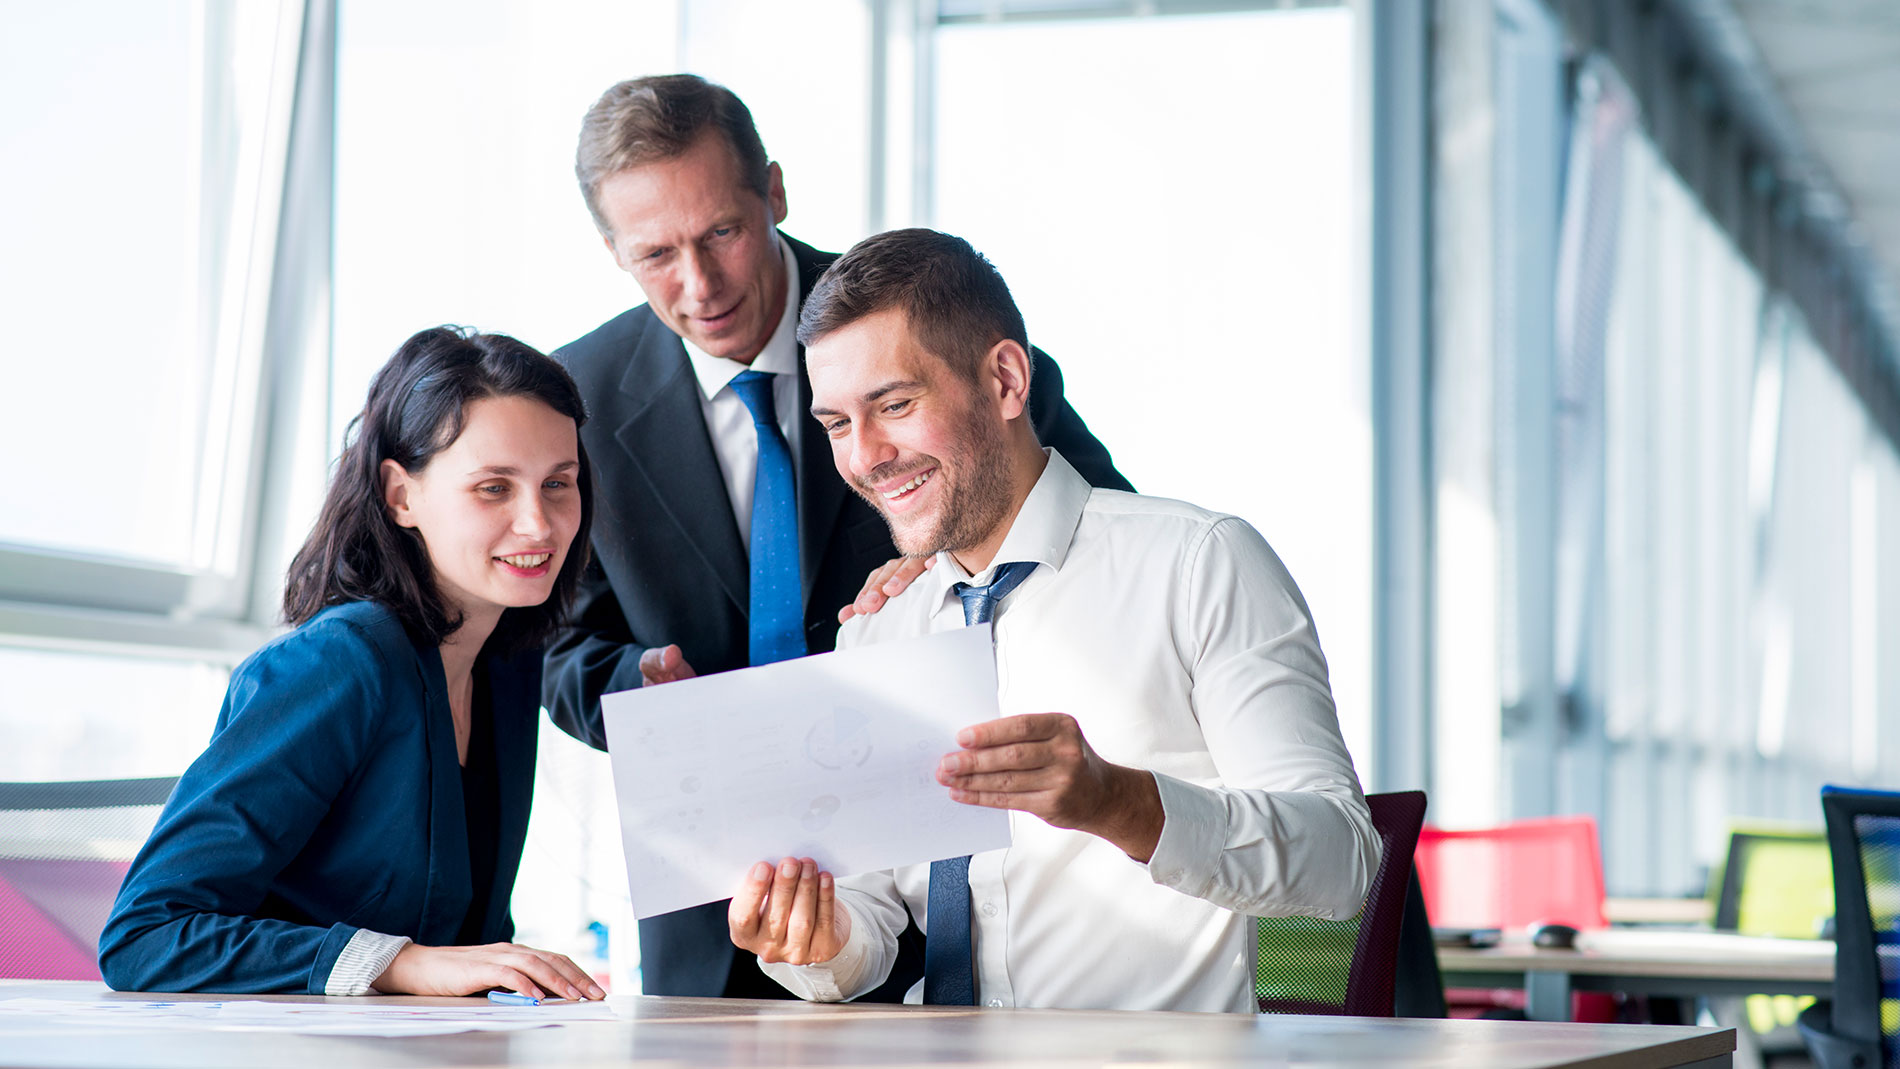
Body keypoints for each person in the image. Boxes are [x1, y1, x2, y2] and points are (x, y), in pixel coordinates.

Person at [544, 73, 1133, 999]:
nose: (699, 286)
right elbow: (557, 644)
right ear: (612, 251)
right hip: (716, 903)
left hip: (953, 870)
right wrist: (636, 683)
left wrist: (955, 557)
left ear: (772, 192)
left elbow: (1100, 536)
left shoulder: (922, 321)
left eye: (723, 234)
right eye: (656, 253)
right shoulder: (574, 397)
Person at [725, 229, 1379, 1013]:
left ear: (1004, 380)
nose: (865, 457)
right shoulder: (879, 626)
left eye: (895, 404)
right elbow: (869, 925)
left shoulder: (1199, 563)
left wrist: (1126, 804)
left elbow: (1344, 861)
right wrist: (815, 939)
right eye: (835, 424)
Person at [99, 327, 607, 1000]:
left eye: (558, 484)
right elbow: (143, 935)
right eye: (493, 488)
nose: (539, 524)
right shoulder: (341, 661)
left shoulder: (507, 664)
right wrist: (401, 963)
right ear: (401, 495)